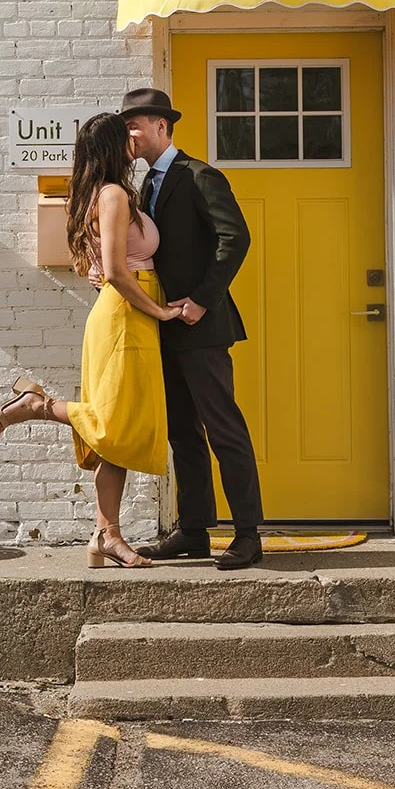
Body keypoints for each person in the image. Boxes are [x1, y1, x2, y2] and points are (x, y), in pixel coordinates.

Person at [0, 111, 182, 568]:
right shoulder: (113, 194)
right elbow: (116, 270)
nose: (135, 139)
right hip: (126, 314)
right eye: (127, 134)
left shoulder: (99, 194)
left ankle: (105, 535)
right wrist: (159, 309)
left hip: (121, 313)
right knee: (115, 424)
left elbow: (94, 268)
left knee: (117, 434)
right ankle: (39, 405)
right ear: (115, 146)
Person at [119, 86, 265, 570]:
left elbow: (235, 238)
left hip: (201, 327)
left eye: (135, 125)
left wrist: (202, 300)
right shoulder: (142, 187)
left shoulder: (200, 175)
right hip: (162, 326)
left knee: (224, 430)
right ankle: (194, 531)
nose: (130, 135)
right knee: (182, 432)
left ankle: (247, 535)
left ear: (161, 126)